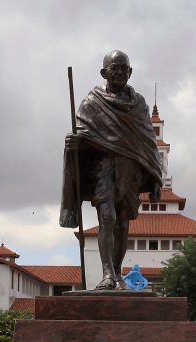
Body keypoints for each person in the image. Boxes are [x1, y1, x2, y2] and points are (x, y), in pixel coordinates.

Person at [60, 50, 163, 290]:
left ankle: (117, 272)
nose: (118, 72)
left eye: (122, 68)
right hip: (103, 167)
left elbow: (148, 142)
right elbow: (81, 133)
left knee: (123, 224)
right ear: (104, 73)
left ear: (130, 72)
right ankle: (107, 274)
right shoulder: (92, 102)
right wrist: (73, 142)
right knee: (107, 218)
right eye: (113, 68)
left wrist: (156, 178)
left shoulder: (139, 105)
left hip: (131, 170)